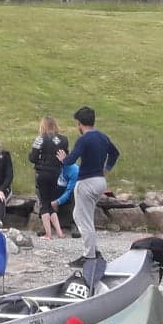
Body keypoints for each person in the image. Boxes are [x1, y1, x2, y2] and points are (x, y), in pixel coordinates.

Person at [57, 106, 120, 266]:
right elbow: (115, 153)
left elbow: (71, 160)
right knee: (87, 217)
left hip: (86, 182)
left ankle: (89, 256)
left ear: (79, 123)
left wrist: (63, 159)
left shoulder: (84, 139)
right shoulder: (103, 137)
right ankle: (94, 251)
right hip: (100, 181)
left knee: (81, 218)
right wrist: (107, 168)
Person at [29, 116, 71, 241]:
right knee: (52, 202)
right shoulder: (63, 140)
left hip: (42, 174)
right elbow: (66, 157)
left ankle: (48, 234)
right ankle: (59, 232)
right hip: (57, 174)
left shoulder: (39, 139)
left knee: (44, 204)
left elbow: (33, 158)